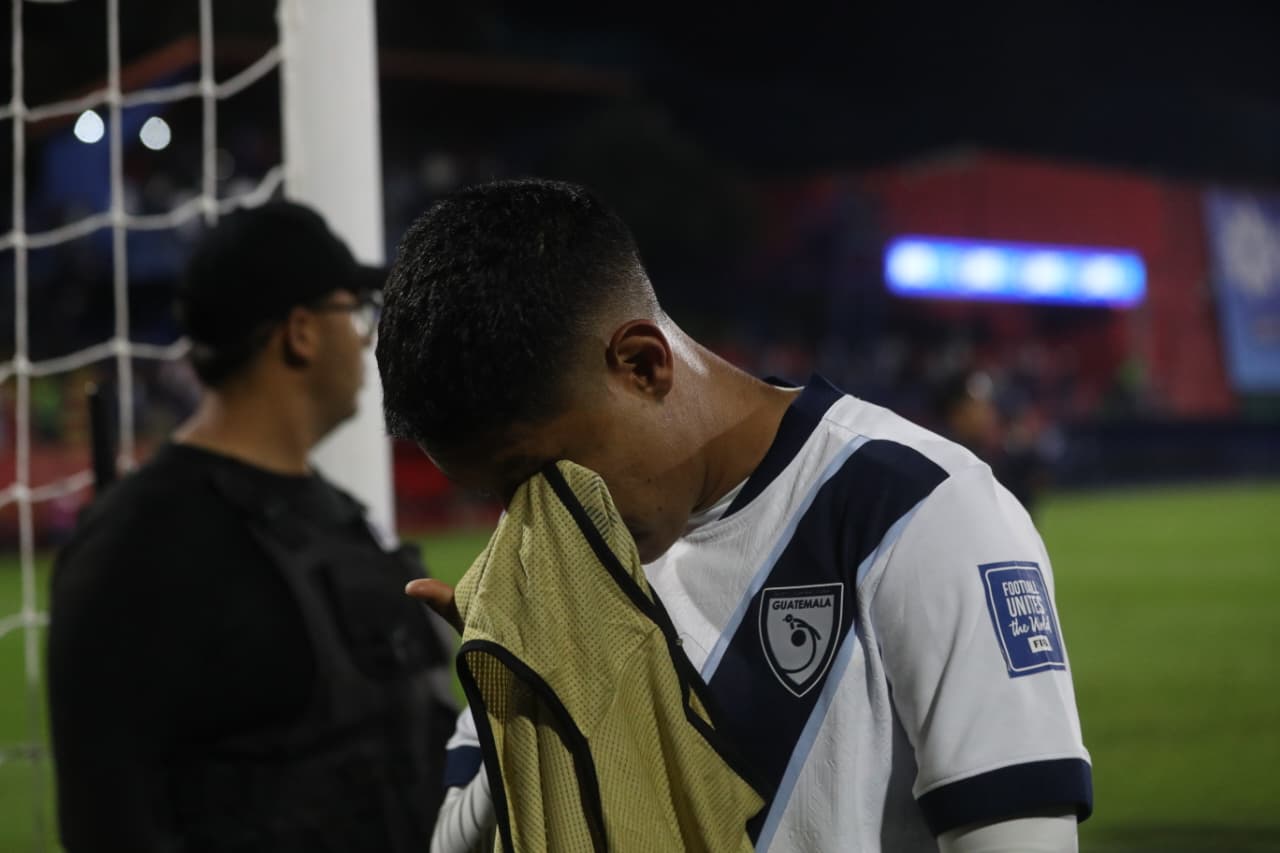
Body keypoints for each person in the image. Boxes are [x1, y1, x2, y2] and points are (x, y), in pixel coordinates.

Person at [378, 179, 1092, 853]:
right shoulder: (552, 562)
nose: (530, 517)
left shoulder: (917, 509)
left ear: (642, 364)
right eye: (497, 495)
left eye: (535, 473)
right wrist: (531, 702)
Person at [48, 201, 457, 853]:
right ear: (299, 331)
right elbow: (110, 820)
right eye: (351, 311)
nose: (362, 337)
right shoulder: (135, 549)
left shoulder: (336, 516)